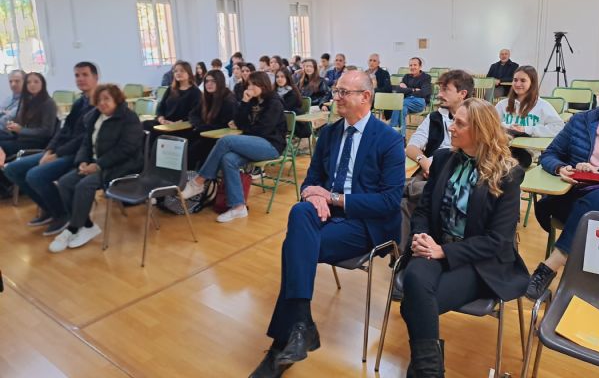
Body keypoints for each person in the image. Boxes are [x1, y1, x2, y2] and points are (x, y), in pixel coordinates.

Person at [248, 71, 405, 377]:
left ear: (366, 97)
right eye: (336, 92)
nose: (337, 98)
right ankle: (299, 327)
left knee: (294, 247)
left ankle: (286, 342)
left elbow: (388, 201)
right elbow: (310, 180)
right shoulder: (330, 134)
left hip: (365, 225)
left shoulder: (389, 140)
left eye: (344, 93)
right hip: (326, 217)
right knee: (299, 212)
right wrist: (311, 194)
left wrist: (331, 198)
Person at [400, 98, 528, 377]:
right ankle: (431, 369)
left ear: (480, 131)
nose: (451, 126)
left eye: (459, 123)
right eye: (452, 119)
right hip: (436, 245)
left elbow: (499, 240)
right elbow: (421, 210)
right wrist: (422, 237)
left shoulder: (508, 174)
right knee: (414, 280)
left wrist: (443, 252)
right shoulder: (444, 159)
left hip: (480, 262)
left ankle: (426, 368)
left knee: (415, 302)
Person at [526, 72, 599, 300]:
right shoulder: (581, 121)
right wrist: (561, 168)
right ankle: (579, 290)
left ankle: (549, 268)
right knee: (592, 209)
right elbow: (550, 154)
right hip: (577, 195)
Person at [4, 62, 98, 236]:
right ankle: (49, 209)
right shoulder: (79, 103)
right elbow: (63, 130)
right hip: (60, 150)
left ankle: (62, 213)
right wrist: (49, 150)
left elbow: (84, 138)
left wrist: (57, 154)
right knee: (12, 169)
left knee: (34, 175)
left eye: (85, 75)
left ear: (95, 77)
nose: (80, 79)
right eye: (77, 75)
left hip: (79, 155)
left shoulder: (98, 104)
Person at [49, 84, 144, 253]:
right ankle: (86, 225)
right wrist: (82, 162)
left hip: (121, 166)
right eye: (99, 100)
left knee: (84, 185)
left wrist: (99, 165)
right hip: (94, 164)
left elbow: (126, 149)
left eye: (107, 99)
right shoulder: (94, 116)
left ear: (117, 99)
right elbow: (85, 143)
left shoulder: (129, 118)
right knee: (64, 183)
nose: (102, 103)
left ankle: (72, 228)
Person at [181, 71, 287, 223]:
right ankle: (238, 207)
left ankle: (198, 181)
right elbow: (238, 121)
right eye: (249, 84)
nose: (250, 87)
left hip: (271, 145)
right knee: (228, 158)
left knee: (226, 141)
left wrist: (243, 127)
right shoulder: (252, 101)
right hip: (253, 142)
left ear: (263, 85)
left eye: (254, 84)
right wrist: (244, 102)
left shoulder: (274, 102)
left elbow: (262, 130)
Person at [406, 70, 474, 179]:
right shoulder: (434, 117)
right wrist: (424, 162)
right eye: (440, 90)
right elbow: (411, 147)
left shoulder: (475, 119)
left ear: (462, 94)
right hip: (431, 171)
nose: (439, 94)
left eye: (445, 90)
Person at [494, 65, 564, 168]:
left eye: (523, 80)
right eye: (515, 80)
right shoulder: (502, 104)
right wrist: (507, 126)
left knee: (506, 167)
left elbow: (559, 128)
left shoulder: (542, 105)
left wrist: (527, 129)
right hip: (503, 149)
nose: (518, 84)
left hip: (527, 153)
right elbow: (491, 125)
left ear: (532, 83)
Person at [0, 72, 57, 163]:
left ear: (42, 84)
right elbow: (20, 121)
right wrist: (12, 125)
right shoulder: (27, 101)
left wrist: (21, 130)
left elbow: (46, 132)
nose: (32, 85)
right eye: (28, 82)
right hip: (20, 137)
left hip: (33, 142)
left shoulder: (48, 103)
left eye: (36, 82)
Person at [187, 70, 237, 169]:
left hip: (219, 139)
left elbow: (225, 125)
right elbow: (193, 114)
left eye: (213, 81)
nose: (209, 84)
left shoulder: (228, 100)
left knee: (194, 148)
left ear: (220, 82)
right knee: (184, 141)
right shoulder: (206, 97)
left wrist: (203, 128)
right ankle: (185, 175)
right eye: (207, 81)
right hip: (206, 133)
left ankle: (196, 176)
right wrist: (200, 125)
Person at [143, 61, 201, 132]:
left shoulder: (195, 92)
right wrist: (161, 118)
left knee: (155, 134)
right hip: (165, 122)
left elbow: (195, 113)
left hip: (181, 125)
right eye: (176, 71)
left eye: (182, 71)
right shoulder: (171, 89)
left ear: (189, 73)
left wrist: (180, 122)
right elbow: (161, 106)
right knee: (144, 124)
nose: (178, 73)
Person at [390, 57, 432, 136]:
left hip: (419, 102)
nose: (412, 67)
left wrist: (407, 90)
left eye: (415, 65)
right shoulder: (406, 77)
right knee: (402, 110)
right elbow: (398, 90)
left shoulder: (426, 77)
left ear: (420, 66)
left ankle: (391, 130)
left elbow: (424, 93)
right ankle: (402, 138)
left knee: (398, 105)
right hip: (405, 102)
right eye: (410, 65)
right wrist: (413, 90)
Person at [0, 70, 25, 136]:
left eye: (17, 81)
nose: (13, 84)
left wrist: (4, 113)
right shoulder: (8, 98)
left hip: (13, 136)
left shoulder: (27, 100)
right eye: (11, 81)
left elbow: (5, 120)